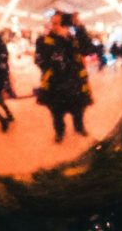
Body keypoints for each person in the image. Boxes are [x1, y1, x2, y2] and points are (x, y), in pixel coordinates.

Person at [33, 8, 95, 143]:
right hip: (56, 86)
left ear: (67, 25)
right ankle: (60, 132)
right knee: (57, 114)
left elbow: (89, 49)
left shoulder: (74, 39)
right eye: (54, 23)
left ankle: (79, 127)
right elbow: (38, 60)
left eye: (59, 23)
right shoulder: (44, 40)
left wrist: (79, 26)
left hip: (75, 84)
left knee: (78, 111)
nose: (56, 27)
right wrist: (54, 58)